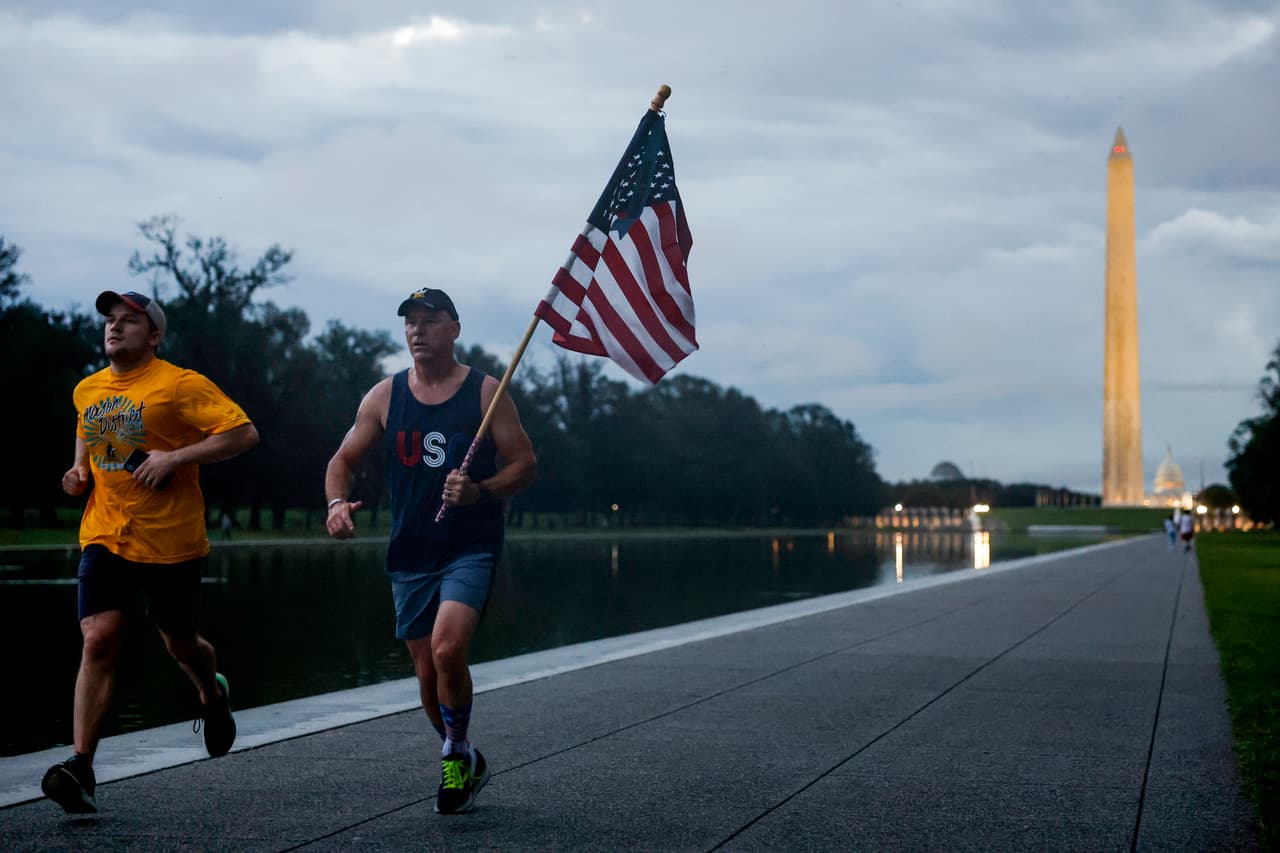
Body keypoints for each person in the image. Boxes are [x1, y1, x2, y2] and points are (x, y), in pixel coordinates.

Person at [43, 290, 260, 814]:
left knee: (183, 646)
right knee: (99, 639)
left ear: (155, 335)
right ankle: (81, 767)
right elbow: (88, 444)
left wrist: (175, 457)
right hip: (106, 535)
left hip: (171, 542)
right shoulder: (87, 389)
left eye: (130, 322)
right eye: (110, 322)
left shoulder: (179, 384)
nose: (115, 329)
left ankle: (213, 695)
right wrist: (77, 474)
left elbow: (243, 433)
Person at [324, 288, 536, 815]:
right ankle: (462, 751)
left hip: (469, 546)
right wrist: (334, 504)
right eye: (411, 323)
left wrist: (481, 490)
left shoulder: (488, 392)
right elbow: (342, 460)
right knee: (425, 675)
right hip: (411, 550)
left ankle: (454, 755)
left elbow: (525, 463)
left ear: (454, 329)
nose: (418, 330)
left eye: (430, 320)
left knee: (446, 650)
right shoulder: (384, 396)